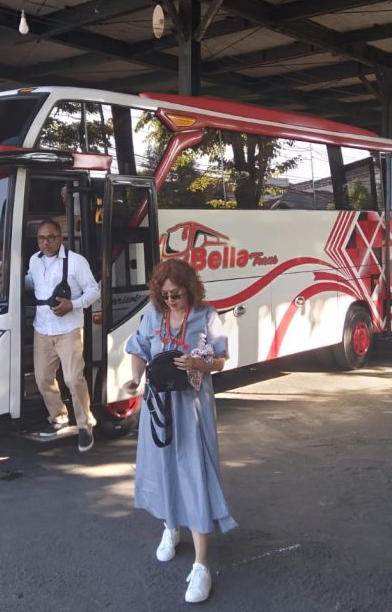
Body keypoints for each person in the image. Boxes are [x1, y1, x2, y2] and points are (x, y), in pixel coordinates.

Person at [123, 259, 237, 604]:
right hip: (158, 406)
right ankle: (171, 526)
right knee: (163, 469)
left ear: (189, 287)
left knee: (195, 475)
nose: (171, 300)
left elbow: (220, 358)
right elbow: (139, 348)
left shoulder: (206, 315)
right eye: (165, 294)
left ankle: (202, 564)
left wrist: (199, 363)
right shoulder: (153, 316)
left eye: (177, 293)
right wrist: (134, 377)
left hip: (192, 410)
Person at [26, 219, 100, 452]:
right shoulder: (34, 261)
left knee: (73, 379)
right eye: (41, 238)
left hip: (68, 329)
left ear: (61, 239)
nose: (45, 243)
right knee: (43, 379)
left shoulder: (76, 262)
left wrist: (74, 304)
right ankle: (58, 417)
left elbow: (94, 291)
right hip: (42, 329)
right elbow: (30, 281)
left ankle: (84, 424)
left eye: (50, 238)